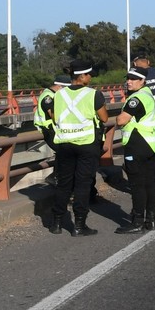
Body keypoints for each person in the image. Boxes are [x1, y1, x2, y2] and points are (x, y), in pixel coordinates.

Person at [47, 61, 109, 236]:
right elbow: (103, 118)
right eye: (89, 75)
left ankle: (56, 223)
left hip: (65, 144)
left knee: (64, 184)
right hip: (87, 144)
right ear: (81, 76)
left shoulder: (59, 95)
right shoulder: (93, 94)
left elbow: (54, 116)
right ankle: (79, 225)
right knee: (82, 185)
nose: (90, 77)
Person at [113, 67, 155, 233]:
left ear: (143, 81)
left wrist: (118, 118)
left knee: (137, 185)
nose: (129, 81)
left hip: (137, 145)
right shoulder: (148, 95)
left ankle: (137, 222)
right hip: (152, 146)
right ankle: (151, 220)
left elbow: (121, 120)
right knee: (151, 184)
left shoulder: (136, 98)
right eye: (128, 78)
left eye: (134, 79)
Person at [36, 71, 70, 187]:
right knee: (64, 152)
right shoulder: (48, 97)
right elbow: (53, 115)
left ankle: (58, 177)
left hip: (55, 130)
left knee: (65, 152)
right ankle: (54, 177)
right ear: (60, 86)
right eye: (66, 88)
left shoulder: (55, 95)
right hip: (49, 130)